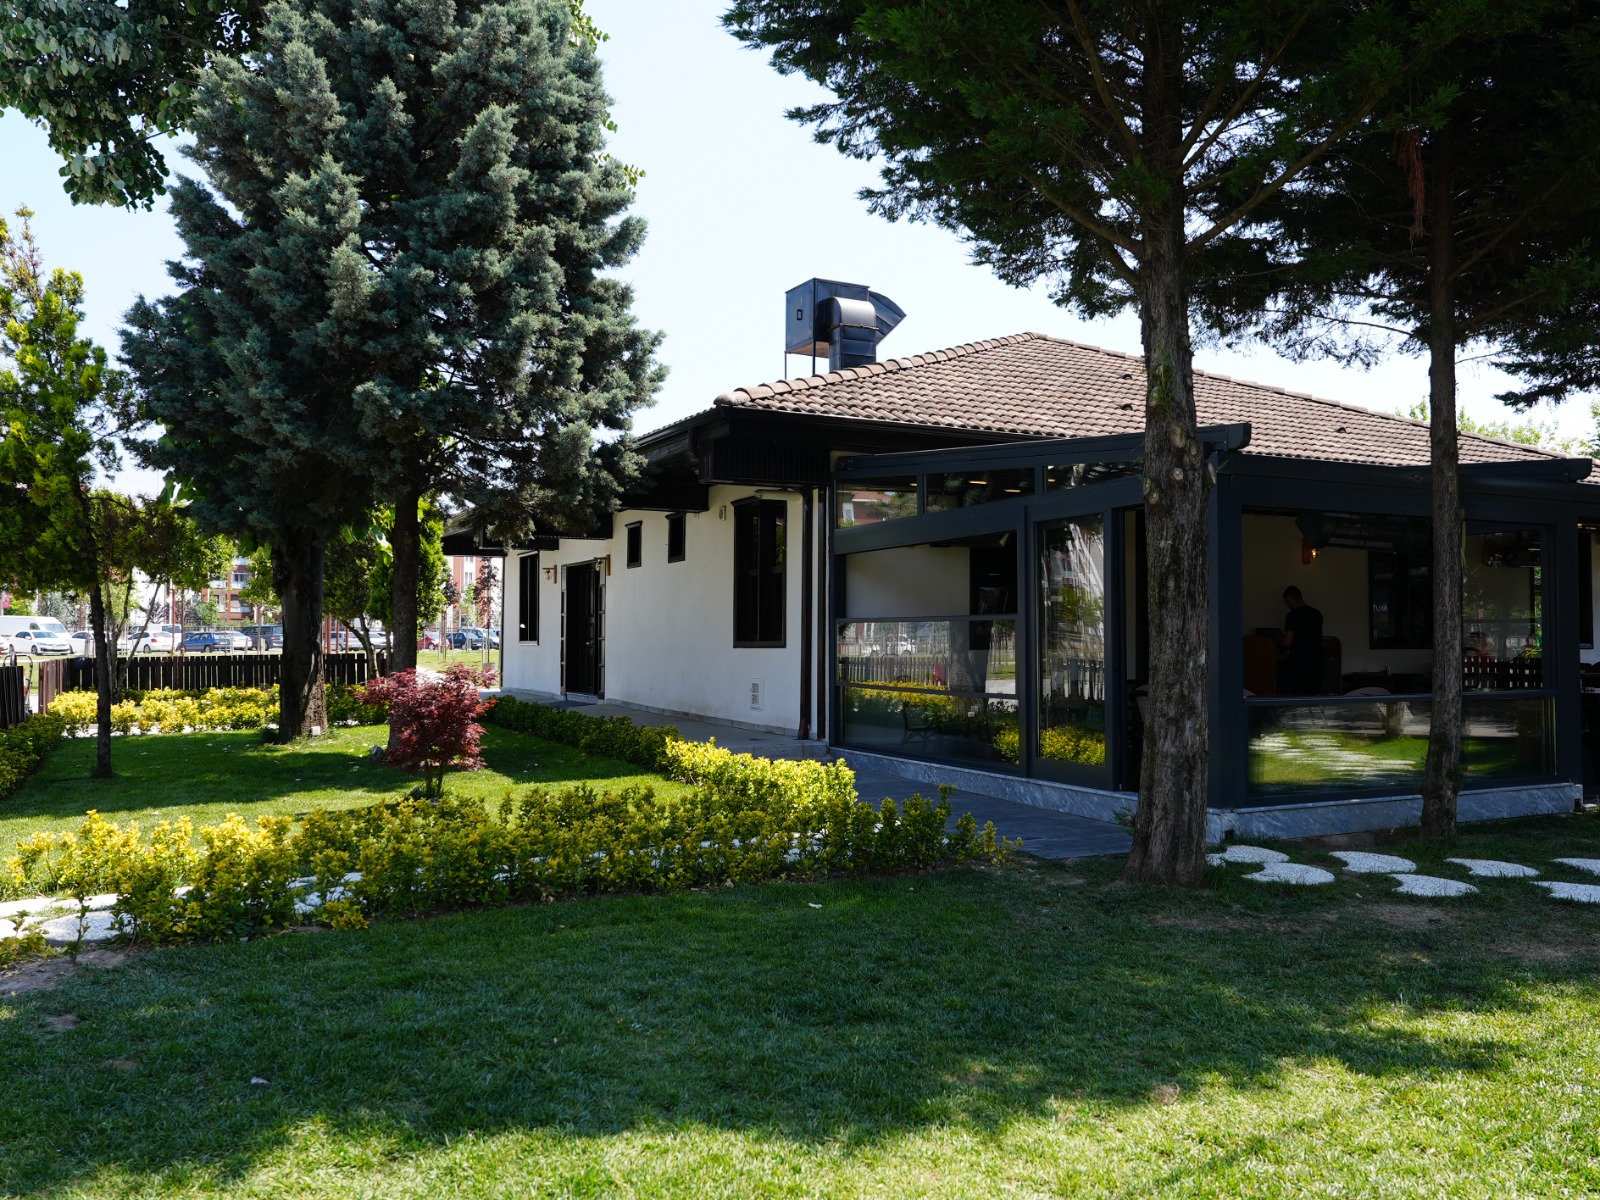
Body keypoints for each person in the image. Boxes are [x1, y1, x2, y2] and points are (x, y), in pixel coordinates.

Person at [1277, 586, 1325, 695]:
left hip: (1299, 662)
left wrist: (1278, 637)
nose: (1287, 605)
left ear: (1290, 598)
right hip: (1317, 661)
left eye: (1286, 601)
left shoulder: (1292, 615)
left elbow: (1287, 642)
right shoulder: (1317, 614)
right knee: (1314, 694)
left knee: (1298, 694)